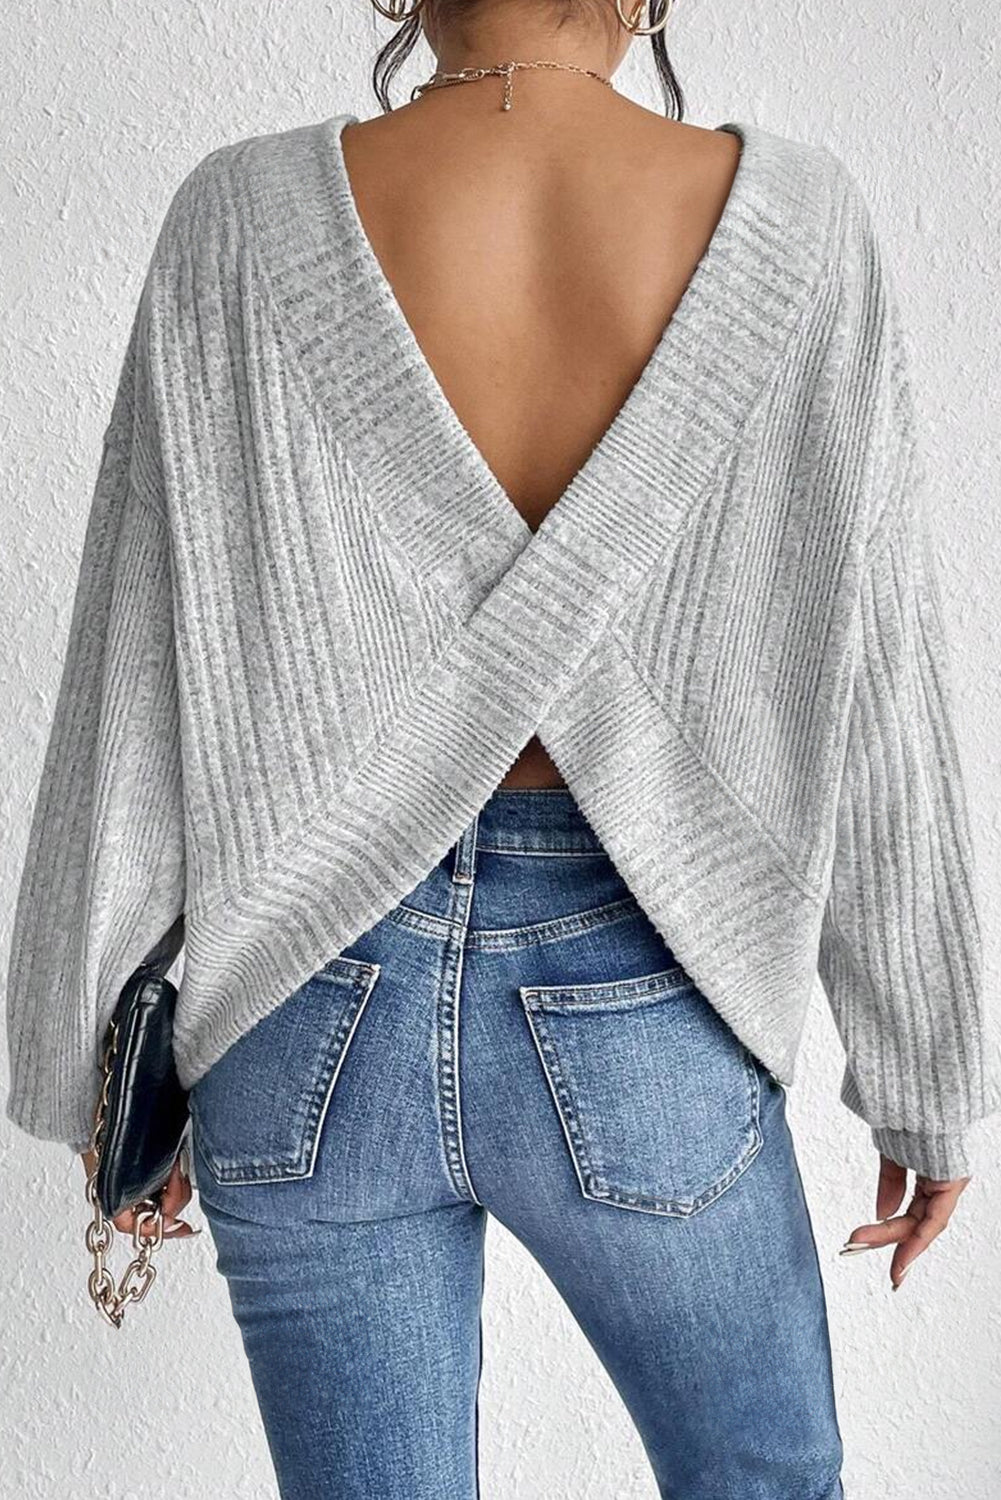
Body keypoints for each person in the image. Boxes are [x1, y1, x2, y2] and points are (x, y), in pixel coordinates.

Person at [7, 1, 997, 1496]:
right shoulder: (799, 225)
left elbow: (133, 661)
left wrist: (94, 1060)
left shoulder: (236, 218)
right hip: (643, 994)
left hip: (300, 1011)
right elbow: (876, 669)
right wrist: (925, 1065)